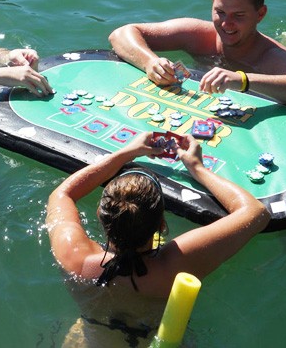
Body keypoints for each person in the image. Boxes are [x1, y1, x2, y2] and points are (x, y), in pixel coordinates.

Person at [46, 132, 270, 346]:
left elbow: (62, 194)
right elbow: (256, 212)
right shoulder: (176, 264)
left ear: (100, 214)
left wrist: (126, 153)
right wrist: (196, 167)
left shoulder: (75, 256)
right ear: (161, 225)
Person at [109, 0, 286, 106]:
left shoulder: (272, 57)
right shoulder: (198, 35)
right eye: (220, 12)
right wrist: (150, 62)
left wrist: (241, 80)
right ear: (212, 3)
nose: (226, 24)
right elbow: (120, 34)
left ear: (260, 14)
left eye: (239, 15)